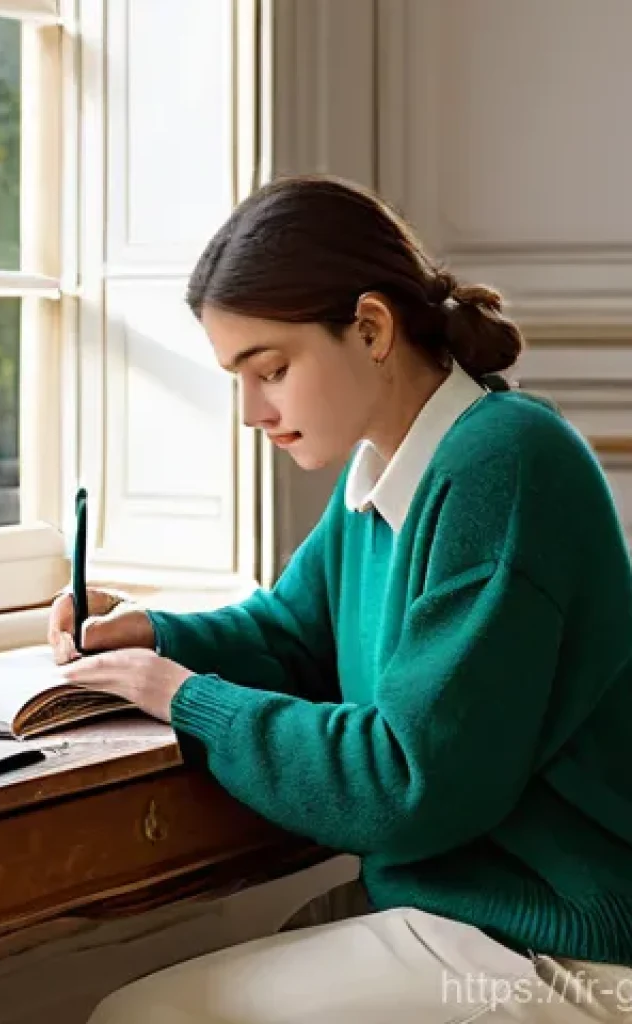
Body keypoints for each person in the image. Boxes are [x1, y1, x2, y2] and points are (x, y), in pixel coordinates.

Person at [47, 175, 632, 1022]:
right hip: (464, 908)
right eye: (235, 378)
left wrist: (182, 697)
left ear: (370, 328)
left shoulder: (505, 465)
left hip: (570, 947)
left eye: (272, 369)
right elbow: (292, 635)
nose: (251, 409)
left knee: (146, 1017)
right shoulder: (385, 473)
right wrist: (150, 632)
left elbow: (405, 779)